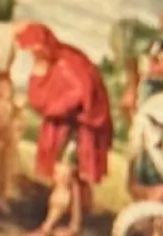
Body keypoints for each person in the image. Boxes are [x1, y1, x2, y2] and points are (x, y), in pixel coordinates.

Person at [17, 22, 115, 236]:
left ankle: (47, 227)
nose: (32, 54)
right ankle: (74, 226)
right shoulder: (47, 63)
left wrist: (55, 107)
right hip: (65, 126)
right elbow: (38, 97)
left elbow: (81, 94)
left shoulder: (68, 62)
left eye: (34, 48)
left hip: (80, 128)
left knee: (63, 176)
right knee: (72, 179)